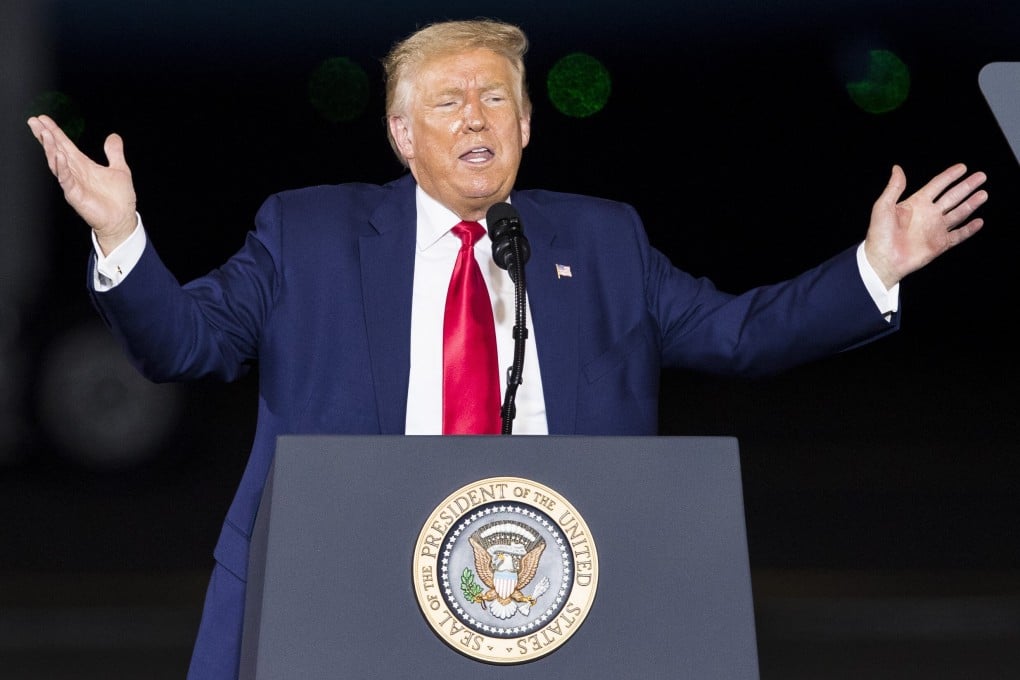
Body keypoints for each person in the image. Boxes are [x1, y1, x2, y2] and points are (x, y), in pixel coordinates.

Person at [28, 17, 986, 680]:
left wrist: (872, 266)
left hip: (549, 596)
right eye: (448, 102)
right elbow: (182, 345)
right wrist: (123, 239)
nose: (477, 118)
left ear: (528, 125)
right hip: (342, 583)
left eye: (496, 98)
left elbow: (739, 334)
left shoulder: (602, 240)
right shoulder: (306, 234)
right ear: (402, 134)